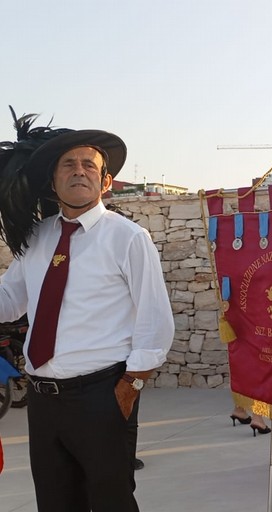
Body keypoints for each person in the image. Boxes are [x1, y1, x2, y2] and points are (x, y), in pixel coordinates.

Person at [0, 111, 175, 511]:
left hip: (101, 394)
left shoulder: (128, 237)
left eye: (89, 165)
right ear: (53, 180)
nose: (79, 172)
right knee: (55, 501)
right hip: (44, 399)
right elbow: (10, 300)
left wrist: (131, 386)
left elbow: (155, 318)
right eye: (68, 164)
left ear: (106, 180)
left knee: (111, 500)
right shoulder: (38, 238)